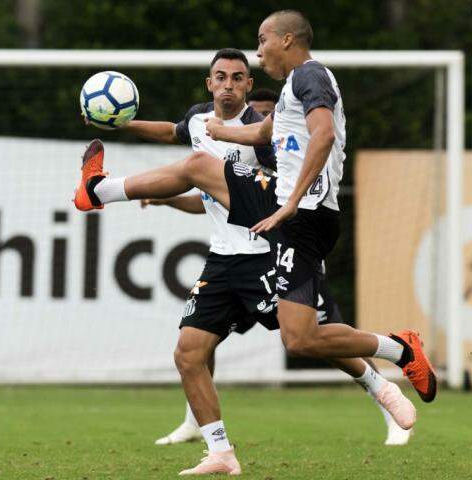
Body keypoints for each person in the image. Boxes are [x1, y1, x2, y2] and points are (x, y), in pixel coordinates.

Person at [73, 12, 435, 474]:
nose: (257, 52)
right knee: (265, 344)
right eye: (221, 76)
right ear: (209, 83)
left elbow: (319, 135)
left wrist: (288, 201)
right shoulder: (243, 110)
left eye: (260, 44)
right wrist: (212, 133)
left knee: (199, 166)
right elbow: (248, 137)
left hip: (283, 226)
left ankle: (98, 190)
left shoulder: (310, 75)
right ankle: (222, 451)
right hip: (246, 246)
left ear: (285, 41)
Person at [137, 79, 411, 449]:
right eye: (220, 76)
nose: (227, 85)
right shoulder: (200, 124)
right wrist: (161, 190)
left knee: (319, 338)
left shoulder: (267, 140)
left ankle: (385, 392)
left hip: (275, 255)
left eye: (236, 78)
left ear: (248, 88)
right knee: (195, 345)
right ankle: (197, 426)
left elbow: (283, 190)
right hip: (227, 260)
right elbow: (203, 190)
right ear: (209, 82)